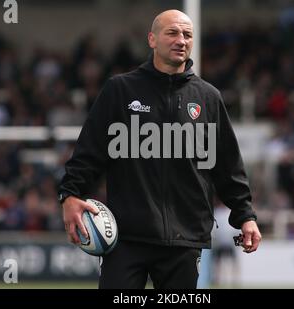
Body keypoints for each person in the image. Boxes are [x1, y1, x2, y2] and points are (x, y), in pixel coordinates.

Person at [58, 9, 261, 289]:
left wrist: (245, 216)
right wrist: (69, 195)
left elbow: (228, 166)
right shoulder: (120, 90)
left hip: (185, 239)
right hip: (126, 238)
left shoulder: (208, 98)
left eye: (187, 34)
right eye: (173, 32)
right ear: (152, 39)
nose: (181, 40)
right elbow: (88, 153)